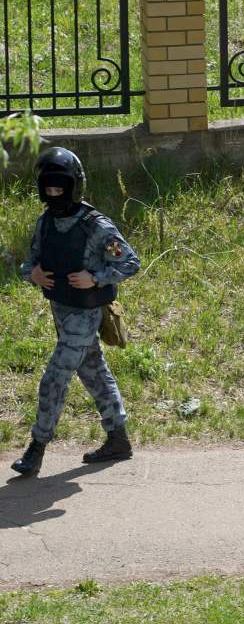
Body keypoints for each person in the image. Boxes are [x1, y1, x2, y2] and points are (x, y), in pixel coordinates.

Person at [12, 147, 140, 477]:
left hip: (85, 315)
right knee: (94, 371)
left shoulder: (96, 226)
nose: (54, 194)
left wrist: (95, 277)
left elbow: (130, 262)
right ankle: (118, 439)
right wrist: (33, 274)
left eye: (60, 188)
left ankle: (37, 448)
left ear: (73, 187)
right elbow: (31, 261)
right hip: (61, 312)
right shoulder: (45, 223)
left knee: (54, 379)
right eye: (48, 188)